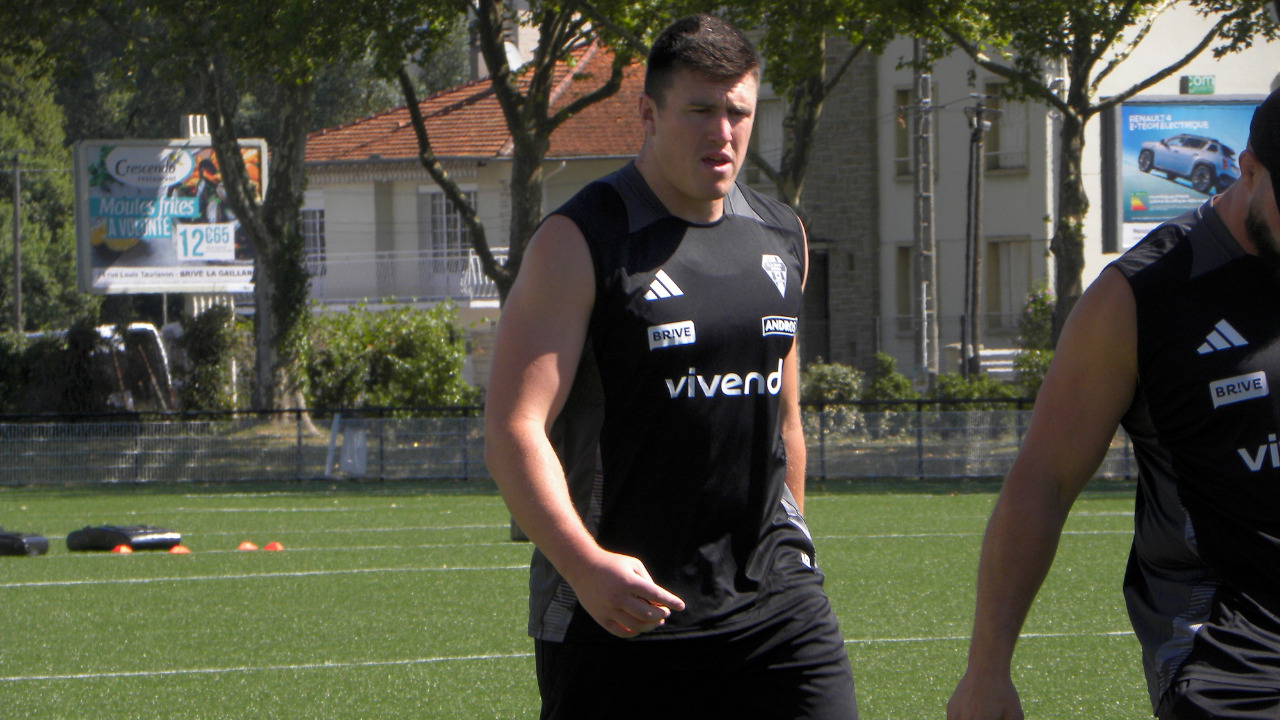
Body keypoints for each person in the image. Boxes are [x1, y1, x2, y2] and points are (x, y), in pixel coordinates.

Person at [484, 14, 858, 720]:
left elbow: (785, 418)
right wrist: (584, 565)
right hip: (623, 609)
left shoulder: (783, 235)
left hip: (777, 607)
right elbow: (513, 428)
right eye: (700, 111)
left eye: (738, 112)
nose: (723, 132)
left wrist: (794, 547)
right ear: (649, 115)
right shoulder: (580, 240)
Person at [948, 87, 1280, 720]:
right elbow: (1043, 480)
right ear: (1249, 168)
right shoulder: (1139, 298)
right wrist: (986, 671)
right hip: (1230, 648)